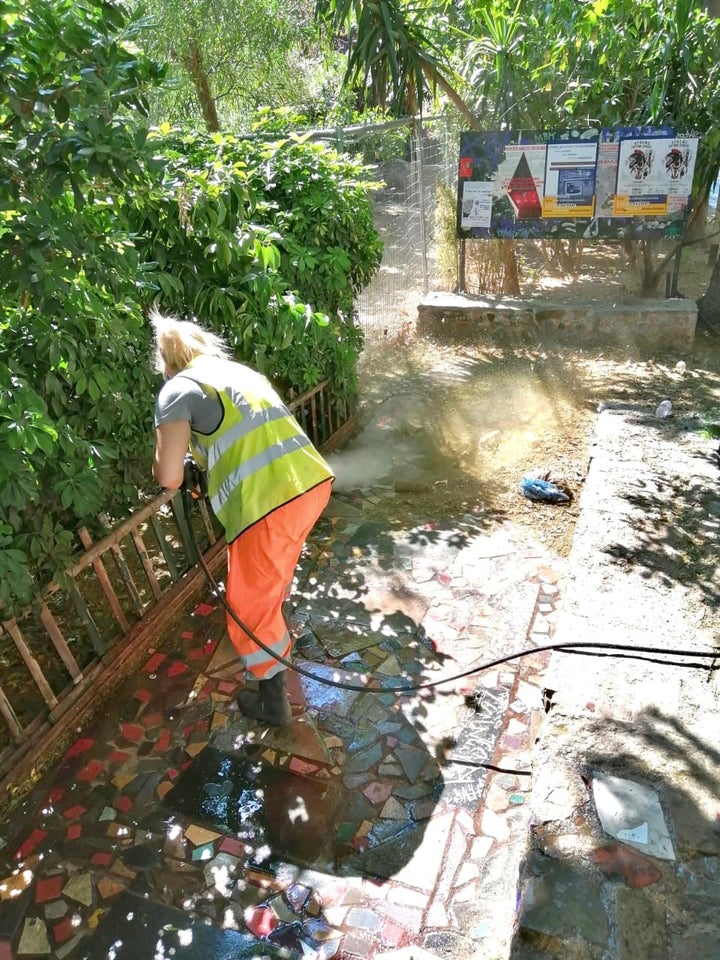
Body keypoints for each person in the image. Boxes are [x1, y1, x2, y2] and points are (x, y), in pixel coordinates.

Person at [150, 309, 334, 726]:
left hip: (265, 505)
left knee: (248, 605)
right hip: (309, 485)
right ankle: (276, 639)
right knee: (269, 581)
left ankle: (274, 703)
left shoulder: (176, 390)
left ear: (167, 361)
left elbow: (168, 475)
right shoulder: (238, 373)